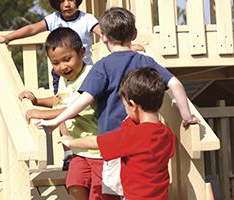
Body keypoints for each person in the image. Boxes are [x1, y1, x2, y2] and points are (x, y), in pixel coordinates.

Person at [36, 7, 199, 198]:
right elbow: (175, 83)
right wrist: (186, 115)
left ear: (103, 37)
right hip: (143, 144)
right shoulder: (144, 61)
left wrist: (57, 121)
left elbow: (84, 100)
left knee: (112, 193)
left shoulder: (103, 66)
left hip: (114, 141)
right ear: (134, 34)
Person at [19, 27, 118, 200]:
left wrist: (41, 114)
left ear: (81, 52)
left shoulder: (91, 76)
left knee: (101, 193)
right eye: (56, 63)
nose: (62, 67)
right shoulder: (66, 79)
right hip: (79, 149)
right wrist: (37, 101)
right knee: (75, 184)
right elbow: (60, 100)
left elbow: (73, 109)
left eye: (67, 59)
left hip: (98, 151)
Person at [59, 67, 176, 200]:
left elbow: (95, 142)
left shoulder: (133, 136)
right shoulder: (167, 134)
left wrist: (71, 142)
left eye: (125, 106)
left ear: (132, 104)